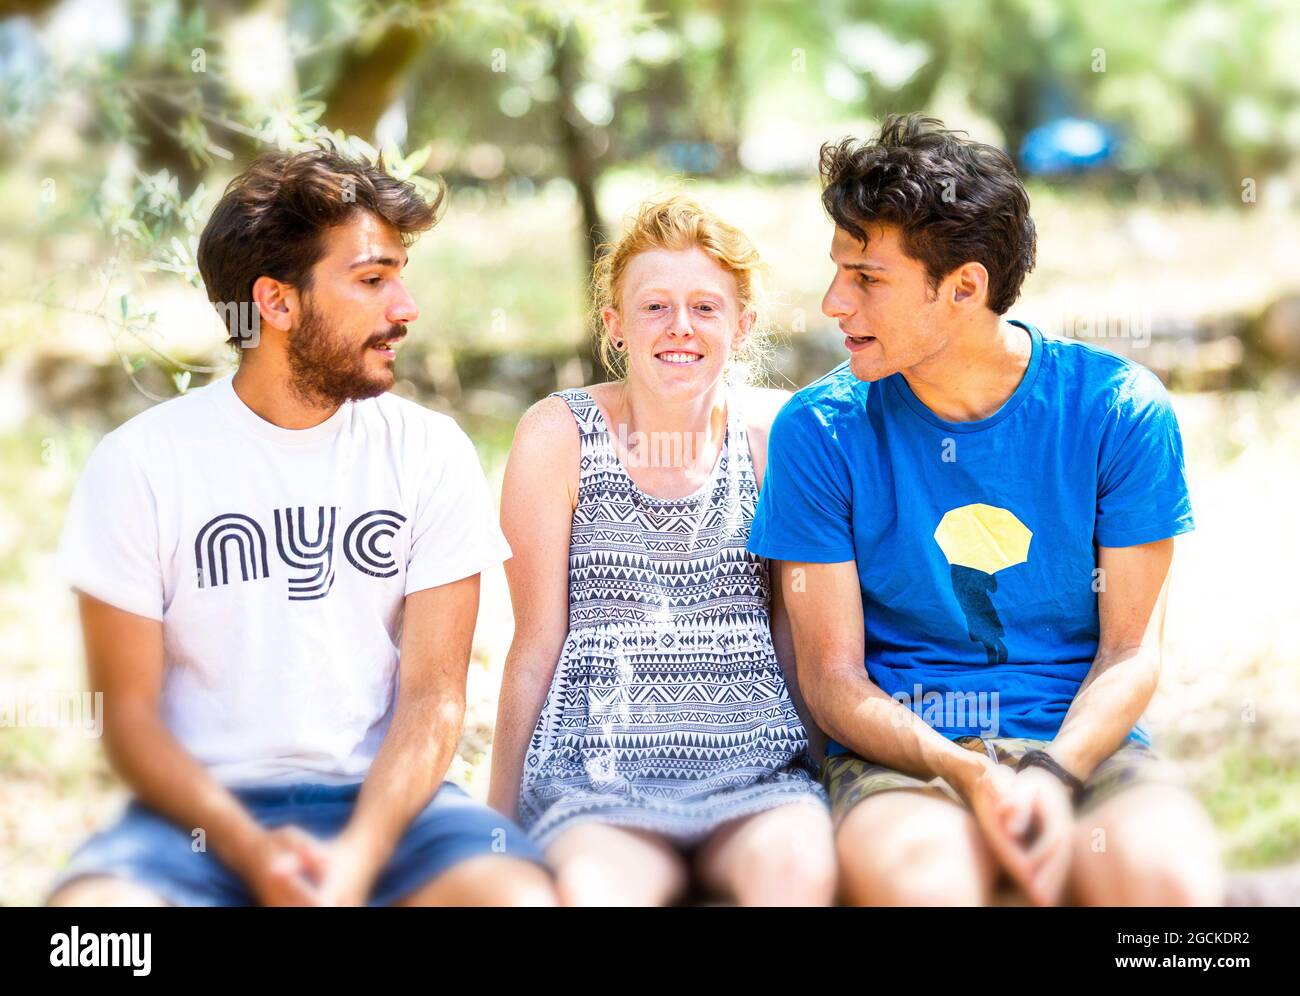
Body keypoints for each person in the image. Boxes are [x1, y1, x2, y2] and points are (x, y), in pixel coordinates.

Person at [47, 144, 555, 907]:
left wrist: (357, 860)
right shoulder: (140, 464)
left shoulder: (429, 452)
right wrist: (253, 853)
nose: (406, 308)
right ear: (277, 304)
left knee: (515, 901)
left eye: (400, 277)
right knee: (90, 932)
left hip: (386, 809)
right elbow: (128, 717)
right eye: (373, 280)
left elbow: (433, 700)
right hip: (194, 820)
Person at [749, 115, 1223, 906]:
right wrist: (967, 771)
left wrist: (1051, 771)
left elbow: (1131, 653)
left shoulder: (1118, 410)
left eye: (868, 278)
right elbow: (831, 679)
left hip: (1085, 745)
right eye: (839, 270)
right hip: (903, 760)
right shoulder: (821, 430)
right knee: (929, 891)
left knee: (1168, 892)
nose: (834, 301)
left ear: (964, 287)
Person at [489, 195, 834, 906]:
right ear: (614, 326)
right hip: (600, 779)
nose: (680, 327)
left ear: (743, 326)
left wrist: (823, 770)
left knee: (798, 880)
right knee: (593, 892)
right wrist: (495, 824)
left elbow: (793, 635)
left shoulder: (773, 433)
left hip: (757, 775)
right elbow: (533, 644)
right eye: (654, 307)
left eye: (706, 307)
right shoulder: (559, 437)